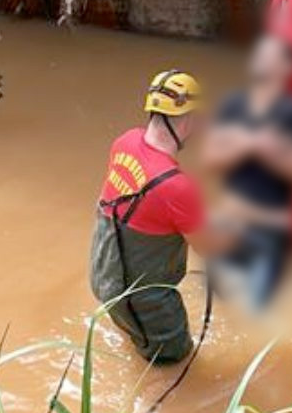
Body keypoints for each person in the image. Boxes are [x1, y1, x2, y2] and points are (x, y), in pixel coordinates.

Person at [89, 70, 221, 363]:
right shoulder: (176, 187)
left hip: (103, 277)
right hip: (144, 303)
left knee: (137, 344)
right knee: (175, 366)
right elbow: (209, 247)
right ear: (189, 118)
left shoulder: (124, 142)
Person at [202, 35, 292, 310]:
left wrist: (270, 152)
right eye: (260, 54)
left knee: (256, 312)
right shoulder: (234, 104)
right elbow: (210, 160)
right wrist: (247, 145)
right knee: (214, 303)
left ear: (287, 68)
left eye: (271, 57)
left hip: (269, 226)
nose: (262, 61)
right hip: (229, 219)